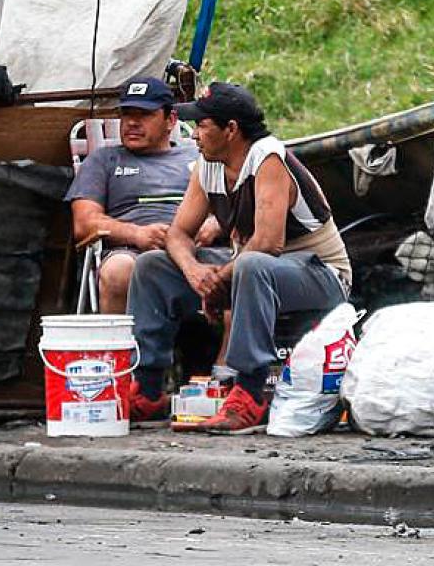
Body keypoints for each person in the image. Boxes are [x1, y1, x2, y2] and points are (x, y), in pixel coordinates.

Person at [127, 82, 352, 433]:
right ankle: (149, 386)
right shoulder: (208, 164)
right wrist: (195, 272)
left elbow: (267, 243)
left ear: (231, 129)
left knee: (251, 263)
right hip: (253, 271)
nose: (195, 134)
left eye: (202, 125)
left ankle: (250, 392)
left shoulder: (268, 159)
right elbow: (178, 234)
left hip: (321, 275)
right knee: (151, 265)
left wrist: (219, 277)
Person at [65, 77, 201, 315]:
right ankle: (122, 350)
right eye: (127, 114)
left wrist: (211, 225)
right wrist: (137, 234)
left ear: (171, 120)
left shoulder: (197, 156)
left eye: (144, 114)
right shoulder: (103, 160)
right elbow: (84, 223)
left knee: (242, 265)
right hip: (131, 251)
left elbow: (231, 205)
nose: (132, 123)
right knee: (118, 271)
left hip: (196, 246)